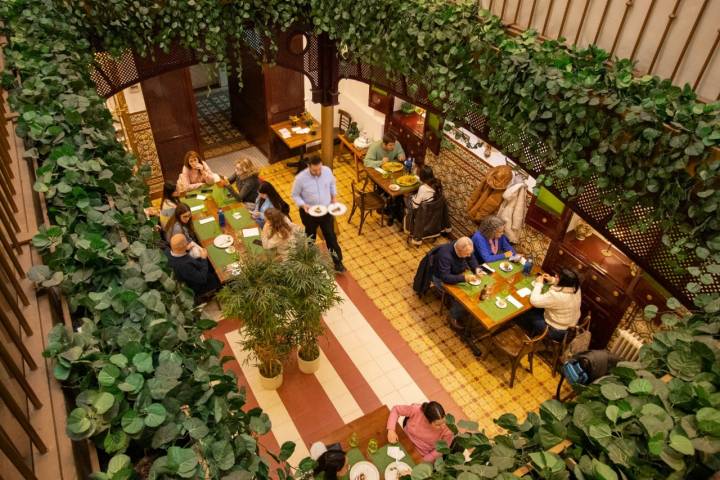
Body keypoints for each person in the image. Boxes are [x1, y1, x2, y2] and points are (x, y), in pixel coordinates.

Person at [291, 156, 346, 273]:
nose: (318, 172)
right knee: (310, 237)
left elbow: (332, 184)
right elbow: (295, 195)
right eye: (314, 170)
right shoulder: (300, 179)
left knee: (331, 237)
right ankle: (309, 260)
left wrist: (334, 196)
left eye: (319, 169)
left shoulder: (327, 171)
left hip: (326, 211)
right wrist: (302, 204)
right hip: (309, 213)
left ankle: (338, 262)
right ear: (309, 167)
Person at [432, 237, 485, 355]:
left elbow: (472, 259)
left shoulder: (466, 250)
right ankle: (452, 317)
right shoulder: (444, 256)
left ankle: (465, 312)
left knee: (474, 292)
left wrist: (477, 269)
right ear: (458, 250)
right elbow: (445, 277)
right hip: (441, 279)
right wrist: (464, 278)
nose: (468, 256)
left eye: (469, 253)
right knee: (462, 299)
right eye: (465, 254)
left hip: (457, 273)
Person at [519, 269, 582, 341]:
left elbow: (534, 301)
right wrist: (552, 280)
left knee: (525, 312)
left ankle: (526, 333)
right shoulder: (576, 287)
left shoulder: (558, 296)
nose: (555, 276)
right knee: (538, 307)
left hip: (557, 330)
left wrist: (539, 283)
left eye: (558, 277)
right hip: (571, 325)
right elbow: (564, 285)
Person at [386, 401, 453, 462]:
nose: (443, 426)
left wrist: (425, 459)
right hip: (403, 440)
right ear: (427, 420)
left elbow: (442, 448)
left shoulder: (448, 430)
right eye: (438, 425)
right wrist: (391, 430)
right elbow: (396, 409)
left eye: (443, 421)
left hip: (421, 455)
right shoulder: (417, 410)